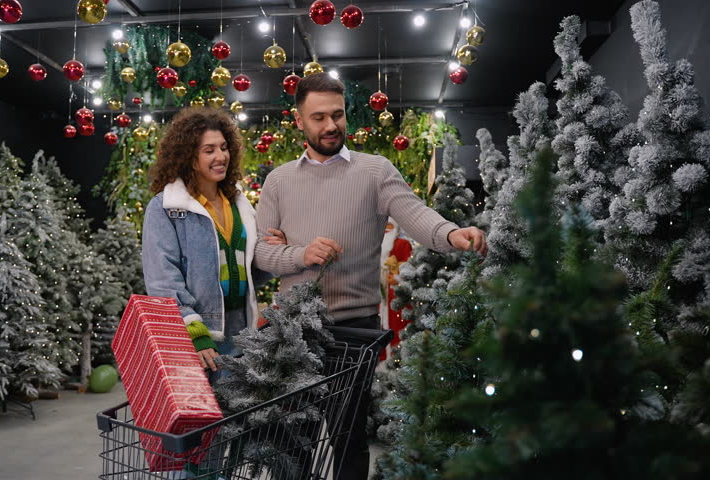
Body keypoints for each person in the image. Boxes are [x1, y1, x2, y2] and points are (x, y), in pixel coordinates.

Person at [253, 73, 487, 479]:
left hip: (354, 332)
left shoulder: (375, 171)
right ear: (299, 121)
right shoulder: (278, 181)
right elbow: (261, 252)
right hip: (293, 333)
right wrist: (300, 253)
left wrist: (452, 233)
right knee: (292, 441)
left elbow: (417, 217)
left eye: (338, 115)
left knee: (348, 439)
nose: (331, 126)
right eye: (319, 117)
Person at [142, 107, 284, 376]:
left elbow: (249, 270)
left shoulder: (239, 203)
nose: (221, 157)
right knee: (210, 416)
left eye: (223, 147)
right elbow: (162, 280)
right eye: (209, 150)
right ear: (189, 157)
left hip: (243, 331)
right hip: (200, 339)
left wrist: (273, 255)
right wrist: (195, 334)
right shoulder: (167, 208)